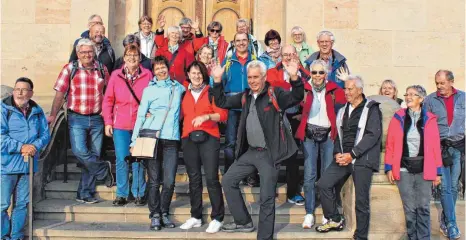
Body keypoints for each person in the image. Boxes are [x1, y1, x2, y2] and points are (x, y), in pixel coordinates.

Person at [211, 59, 304, 240]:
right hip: (251, 152)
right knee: (228, 180)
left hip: (269, 154)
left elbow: (296, 97)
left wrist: (294, 78)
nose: (253, 81)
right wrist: (216, 80)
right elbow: (222, 101)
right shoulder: (245, 96)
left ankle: (264, 237)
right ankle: (243, 221)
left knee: (266, 198)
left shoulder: (274, 93)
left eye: (256, 77)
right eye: (250, 77)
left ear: (263, 77)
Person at [315, 75, 382, 240]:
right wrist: (338, 153)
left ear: (360, 90)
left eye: (350, 89)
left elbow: (372, 135)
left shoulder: (371, 108)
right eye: (345, 88)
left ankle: (360, 236)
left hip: (362, 159)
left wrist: (352, 154)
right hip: (343, 158)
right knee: (323, 184)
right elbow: (338, 135)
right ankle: (335, 219)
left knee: (361, 201)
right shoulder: (343, 109)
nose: (346, 92)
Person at [48, 38, 114, 204]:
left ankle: (85, 193)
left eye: (90, 51)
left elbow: (108, 94)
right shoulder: (70, 69)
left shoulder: (101, 68)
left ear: (95, 53)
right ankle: (103, 169)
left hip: (98, 118)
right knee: (80, 152)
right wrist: (53, 115)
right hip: (77, 118)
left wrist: (109, 117)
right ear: (78, 53)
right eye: (83, 52)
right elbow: (59, 95)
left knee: (93, 154)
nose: (87, 55)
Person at [130, 56, 185, 231]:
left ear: (168, 68)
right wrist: (133, 140)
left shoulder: (178, 88)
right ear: (153, 71)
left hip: (171, 139)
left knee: (169, 181)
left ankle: (164, 212)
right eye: (158, 68)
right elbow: (141, 115)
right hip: (151, 138)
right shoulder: (148, 90)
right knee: (154, 180)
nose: (161, 71)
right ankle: (154, 214)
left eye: (163, 67)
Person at [385, 85, 442, 240]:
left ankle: (424, 237)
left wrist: (438, 172)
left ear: (421, 99)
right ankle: (412, 237)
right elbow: (390, 144)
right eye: (407, 94)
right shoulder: (398, 117)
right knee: (409, 208)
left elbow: (436, 147)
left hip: (425, 168)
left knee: (423, 207)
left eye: (412, 94)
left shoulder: (430, 119)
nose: (408, 97)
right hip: (403, 168)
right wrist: (389, 167)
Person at [295, 59, 346, 229]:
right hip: (309, 134)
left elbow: (349, 99)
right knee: (309, 174)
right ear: (310, 73)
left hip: (328, 134)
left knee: (326, 175)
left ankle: (327, 212)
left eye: (320, 72)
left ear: (326, 74)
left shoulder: (333, 89)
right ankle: (309, 212)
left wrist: (346, 81)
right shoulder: (304, 88)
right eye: (314, 72)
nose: (317, 76)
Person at [179, 61, 228, 233]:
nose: (196, 76)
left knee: (212, 178)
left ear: (204, 75)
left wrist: (206, 117)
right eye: (193, 73)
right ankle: (196, 216)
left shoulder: (211, 92)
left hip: (209, 138)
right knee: (194, 179)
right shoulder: (183, 94)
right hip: (189, 139)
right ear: (188, 74)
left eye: (199, 73)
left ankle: (217, 217)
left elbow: (222, 115)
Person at [102, 45, 153, 207]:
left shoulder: (147, 75)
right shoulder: (116, 75)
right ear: (124, 58)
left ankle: (139, 192)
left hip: (140, 125)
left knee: (139, 159)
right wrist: (108, 122)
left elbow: (152, 97)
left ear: (140, 58)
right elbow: (108, 100)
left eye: (135, 55)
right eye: (129, 55)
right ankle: (122, 193)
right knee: (122, 158)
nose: (132, 58)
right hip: (121, 124)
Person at [1, 78, 50, 240]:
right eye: (17, 89)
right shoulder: (4, 109)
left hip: (28, 164)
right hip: (7, 165)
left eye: (24, 89)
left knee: (22, 204)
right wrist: (21, 147)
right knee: (2, 204)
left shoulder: (37, 110)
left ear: (31, 93)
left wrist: (34, 146)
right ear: (13, 91)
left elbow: (45, 134)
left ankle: (16, 236)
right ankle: (3, 236)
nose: (20, 92)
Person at [266, 45, 310, 206]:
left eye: (291, 54)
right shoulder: (272, 71)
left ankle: (293, 192)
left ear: (296, 55)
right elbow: (273, 90)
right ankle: (269, 190)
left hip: (297, 117)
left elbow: (311, 93)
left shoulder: (305, 73)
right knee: (273, 155)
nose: (288, 57)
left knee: (292, 156)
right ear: (280, 56)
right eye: (285, 54)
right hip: (277, 117)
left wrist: (303, 113)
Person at [424, 70, 464, 239]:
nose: (439, 86)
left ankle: (444, 219)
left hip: (458, 148)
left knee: (454, 187)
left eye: (442, 83)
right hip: (439, 148)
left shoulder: (463, 97)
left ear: (451, 82)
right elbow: (424, 125)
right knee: (446, 188)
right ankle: (452, 224)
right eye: (437, 83)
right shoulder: (430, 100)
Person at [221, 32, 259, 180]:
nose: (241, 43)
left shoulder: (255, 60)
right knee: (231, 142)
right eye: (238, 40)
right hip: (232, 105)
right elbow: (221, 82)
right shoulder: (228, 61)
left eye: (244, 40)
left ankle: (250, 175)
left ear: (248, 42)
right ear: (234, 43)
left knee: (251, 141)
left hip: (250, 104)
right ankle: (230, 174)